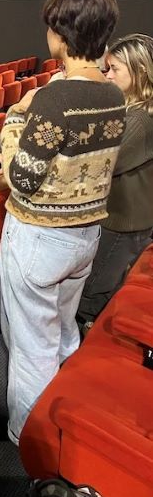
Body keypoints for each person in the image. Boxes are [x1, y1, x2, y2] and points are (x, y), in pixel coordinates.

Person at [0, 0, 126, 445]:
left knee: (32, 347)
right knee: (63, 330)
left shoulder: (53, 100)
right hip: (85, 234)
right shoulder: (112, 93)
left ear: (59, 33)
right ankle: (65, 411)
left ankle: (29, 438)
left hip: (38, 237)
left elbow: (23, 178)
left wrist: (16, 116)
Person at [77, 33, 153, 330]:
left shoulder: (139, 118)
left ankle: (83, 351)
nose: (106, 75)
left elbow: (102, 162)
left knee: (95, 288)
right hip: (128, 216)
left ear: (139, 72)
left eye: (114, 69)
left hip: (123, 221)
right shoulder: (133, 109)